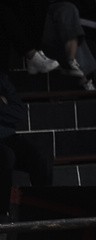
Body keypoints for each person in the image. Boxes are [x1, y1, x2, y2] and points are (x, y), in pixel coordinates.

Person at [0, 70, 52, 221]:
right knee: (6, 156)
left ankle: (40, 210)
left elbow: (19, 112)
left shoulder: (2, 79)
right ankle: (2, 214)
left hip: (6, 135)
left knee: (41, 155)